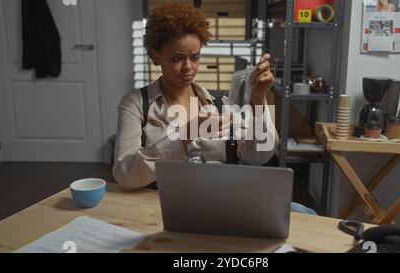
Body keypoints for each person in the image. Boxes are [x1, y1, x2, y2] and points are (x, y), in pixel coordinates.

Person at [112, 3, 316, 215]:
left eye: (195, 57)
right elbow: (124, 174)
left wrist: (258, 99)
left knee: (305, 214)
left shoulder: (219, 103)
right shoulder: (136, 104)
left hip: (223, 200)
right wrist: (185, 135)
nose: (188, 67)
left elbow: (258, 156)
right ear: (156, 55)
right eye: (176, 58)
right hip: (165, 207)